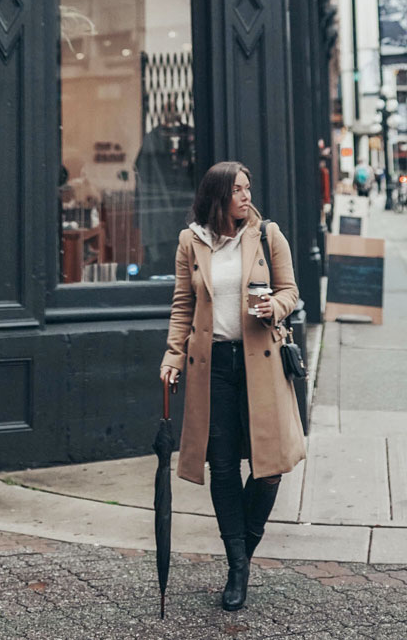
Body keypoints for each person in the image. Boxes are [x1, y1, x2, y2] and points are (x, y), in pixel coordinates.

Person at [160, 161, 305, 612]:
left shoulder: (266, 235)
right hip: (213, 366)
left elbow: (291, 291)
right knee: (222, 468)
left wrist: (273, 309)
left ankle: (242, 551)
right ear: (218, 196)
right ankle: (237, 566)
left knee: (270, 468)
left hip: (260, 363)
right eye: (238, 190)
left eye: (248, 188)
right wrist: (171, 355)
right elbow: (183, 303)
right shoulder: (192, 241)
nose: (246, 196)